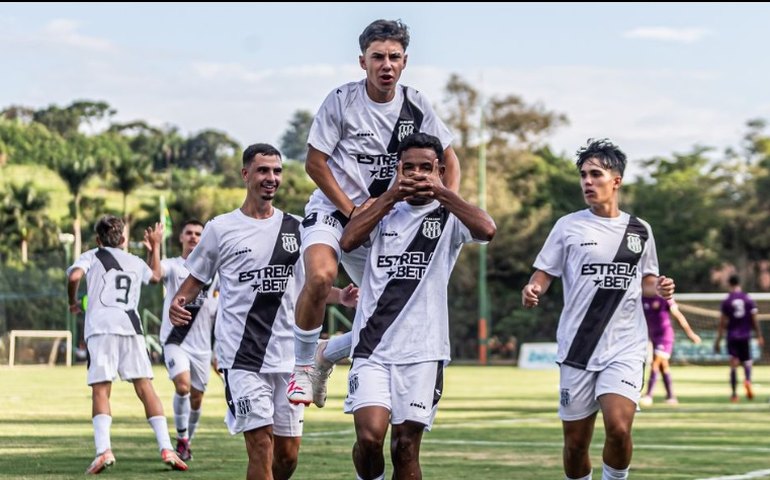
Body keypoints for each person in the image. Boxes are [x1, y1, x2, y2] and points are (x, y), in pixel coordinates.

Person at [288, 18, 461, 408]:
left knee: (393, 311)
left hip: (386, 222)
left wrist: (445, 205)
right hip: (335, 211)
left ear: (405, 61)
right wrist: (351, 211)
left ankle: (327, 353)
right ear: (362, 61)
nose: (386, 65)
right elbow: (315, 163)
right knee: (321, 276)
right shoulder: (341, 101)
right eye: (377, 57)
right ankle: (302, 368)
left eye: (394, 57)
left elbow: (449, 159)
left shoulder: (416, 104)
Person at [168, 143, 358, 480]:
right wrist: (178, 301)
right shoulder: (221, 228)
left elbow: (308, 286)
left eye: (277, 171)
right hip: (242, 358)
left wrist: (340, 295)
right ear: (245, 175)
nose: (271, 178)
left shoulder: (298, 228)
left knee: (287, 458)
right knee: (260, 446)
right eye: (263, 171)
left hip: (289, 358)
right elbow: (195, 279)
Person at [339, 132, 496, 480]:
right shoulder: (382, 210)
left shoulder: (449, 215)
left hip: (424, 351)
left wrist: (442, 192)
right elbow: (347, 241)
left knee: (405, 446)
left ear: (439, 170)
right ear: (398, 169)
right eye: (408, 167)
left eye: (426, 167)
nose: (417, 174)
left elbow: (487, 230)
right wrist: (390, 195)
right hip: (372, 346)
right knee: (369, 438)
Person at [521, 139, 675, 480]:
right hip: (578, 347)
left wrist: (661, 287)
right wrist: (533, 288)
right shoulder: (568, 226)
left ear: (616, 180)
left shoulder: (639, 230)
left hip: (625, 346)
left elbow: (647, 280)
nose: (587, 182)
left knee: (619, 428)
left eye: (595, 174)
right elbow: (544, 273)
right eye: (583, 175)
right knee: (576, 444)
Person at [66, 215, 188, 474]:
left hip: (101, 329)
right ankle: (167, 448)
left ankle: (104, 450)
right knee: (145, 388)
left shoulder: (92, 256)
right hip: (131, 329)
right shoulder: (134, 261)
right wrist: (155, 247)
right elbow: (155, 276)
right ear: (123, 239)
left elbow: (75, 275)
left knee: (101, 389)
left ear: (98, 239)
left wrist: (72, 301)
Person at [146, 218, 217, 461]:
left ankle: (187, 441)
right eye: (189, 233)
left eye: (198, 233)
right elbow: (155, 275)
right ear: (181, 237)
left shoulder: (213, 271)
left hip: (202, 346)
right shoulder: (174, 266)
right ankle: (182, 438)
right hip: (175, 339)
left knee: (197, 398)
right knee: (183, 386)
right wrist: (155, 247)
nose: (193, 237)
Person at [639, 295, 701, 406]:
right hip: (653, 336)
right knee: (663, 366)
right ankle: (671, 396)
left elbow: (678, 316)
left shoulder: (664, 297)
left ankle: (648, 395)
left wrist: (690, 334)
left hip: (665, 336)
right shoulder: (642, 298)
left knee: (655, 363)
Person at [714, 274, 764, 402]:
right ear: (739, 283)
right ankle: (747, 380)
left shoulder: (727, 300)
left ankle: (734, 394)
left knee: (733, 364)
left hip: (732, 336)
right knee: (747, 361)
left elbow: (722, 323)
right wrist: (759, 335)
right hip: (745, 335)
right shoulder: (748, 299)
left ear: (729, 284)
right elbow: (754, 319)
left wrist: (718, 340)